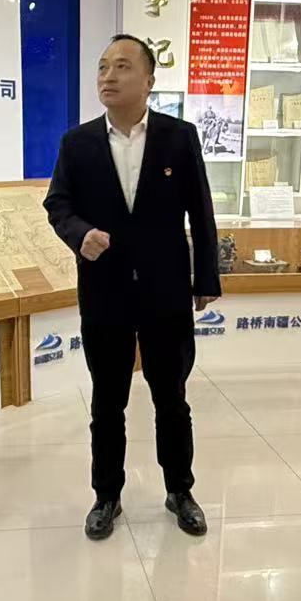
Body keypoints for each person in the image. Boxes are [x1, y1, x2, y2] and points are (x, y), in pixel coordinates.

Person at [44, 35, 222, 541]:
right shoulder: (77, 143)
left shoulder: (178, 137)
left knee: (172, 398)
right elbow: (58, 204)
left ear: (148, 80)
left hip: (166, 291)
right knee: (107, 402)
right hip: (105, 291)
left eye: (122, 66)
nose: (108, 75)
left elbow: (201, 210)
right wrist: (80, 234)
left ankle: (180, 490)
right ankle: (106, 495)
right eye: (103, 66)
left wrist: (206, 277)